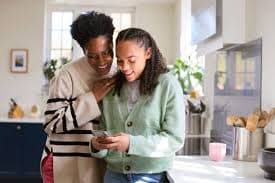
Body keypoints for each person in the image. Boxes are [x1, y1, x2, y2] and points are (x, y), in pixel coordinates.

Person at [90, 27, 185, 183]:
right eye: (120, 61)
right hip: (114, 176)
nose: (124, 67)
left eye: (131, 60)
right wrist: (97, 146)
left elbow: (174, 139)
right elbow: (104, 131)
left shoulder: (167, 85)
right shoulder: (112, 88)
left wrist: (131, 143)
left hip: (151, 176)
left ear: (148, 53)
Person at [41, 11, 116, 183]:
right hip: (64, 165)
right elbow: (51, 124)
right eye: (93, 56)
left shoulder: (119, 72)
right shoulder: (67, 75)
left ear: (112, 44)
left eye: (107, 52)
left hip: (100, 166)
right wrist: (92, 98)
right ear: (83, 50)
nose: (102, 61)